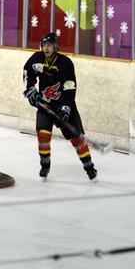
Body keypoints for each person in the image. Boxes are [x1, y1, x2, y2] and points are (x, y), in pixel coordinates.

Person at [22, 32, 97, 181]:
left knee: (77, 139)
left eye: (49, 45)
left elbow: (70, 86)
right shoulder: (36, 59)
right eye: (44, 45)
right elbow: (27, 73)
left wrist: (66, 107)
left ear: (55, 46)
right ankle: (45, 165)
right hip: (45, 105)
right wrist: (31, 90)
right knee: (43, 134)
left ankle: (89, 167)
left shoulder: (65, 63)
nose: (46, 48)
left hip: (64, 105)